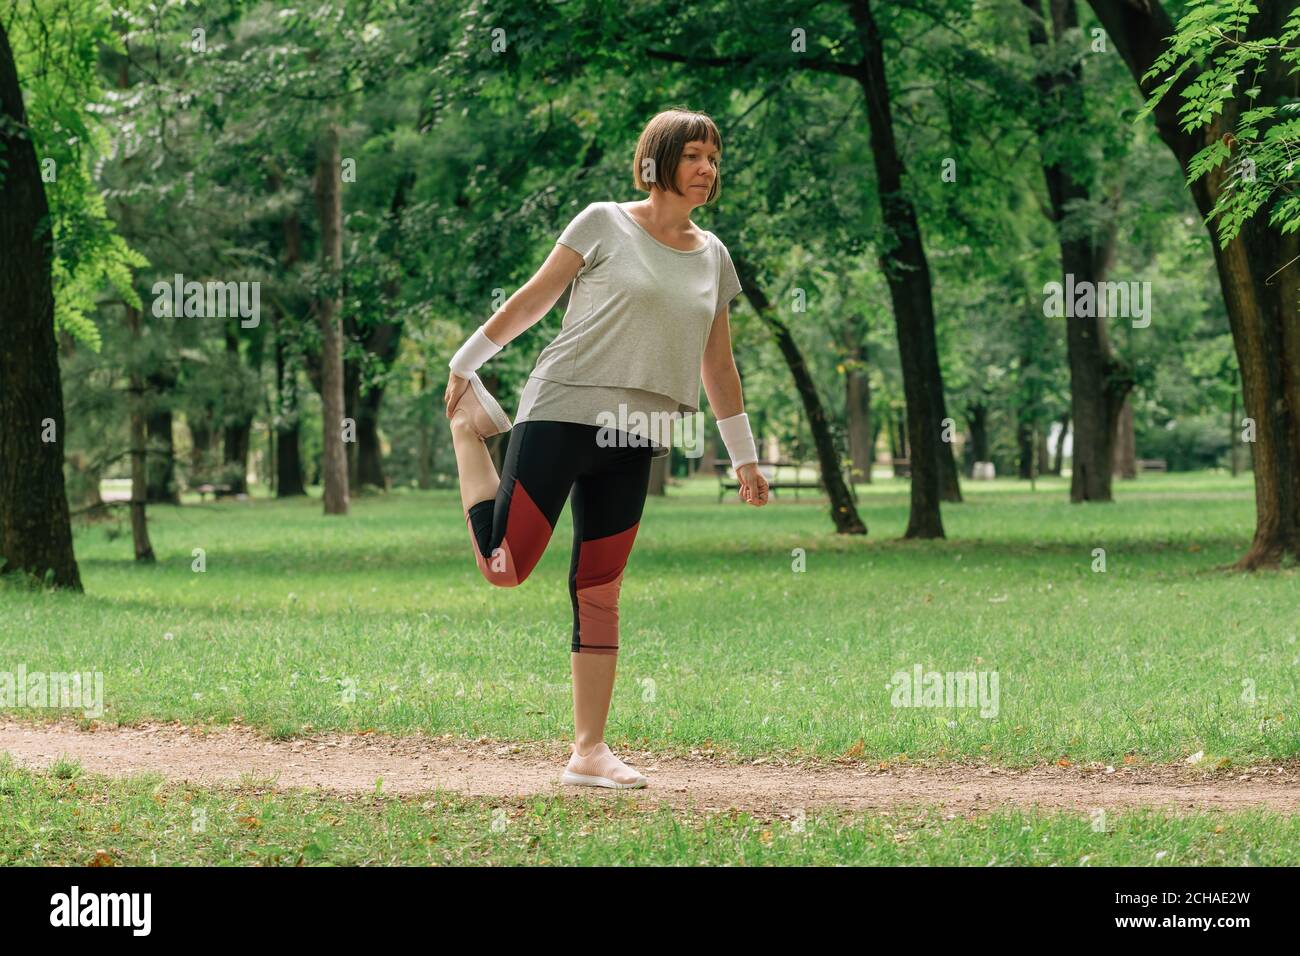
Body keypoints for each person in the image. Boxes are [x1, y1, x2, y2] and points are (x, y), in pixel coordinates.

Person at [443, 107, 769, 790]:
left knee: (600, 589)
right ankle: (469, 430)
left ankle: (589, 752)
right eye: (693, 156)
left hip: (637, 433)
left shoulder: (714, 256)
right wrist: (465, 362)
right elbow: (534, 300)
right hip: (561, 410)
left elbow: (718, 366)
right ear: (658, 162)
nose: (707, 169)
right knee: (505, 567)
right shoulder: (602, 222)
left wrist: (742, 456)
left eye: (714, 157)